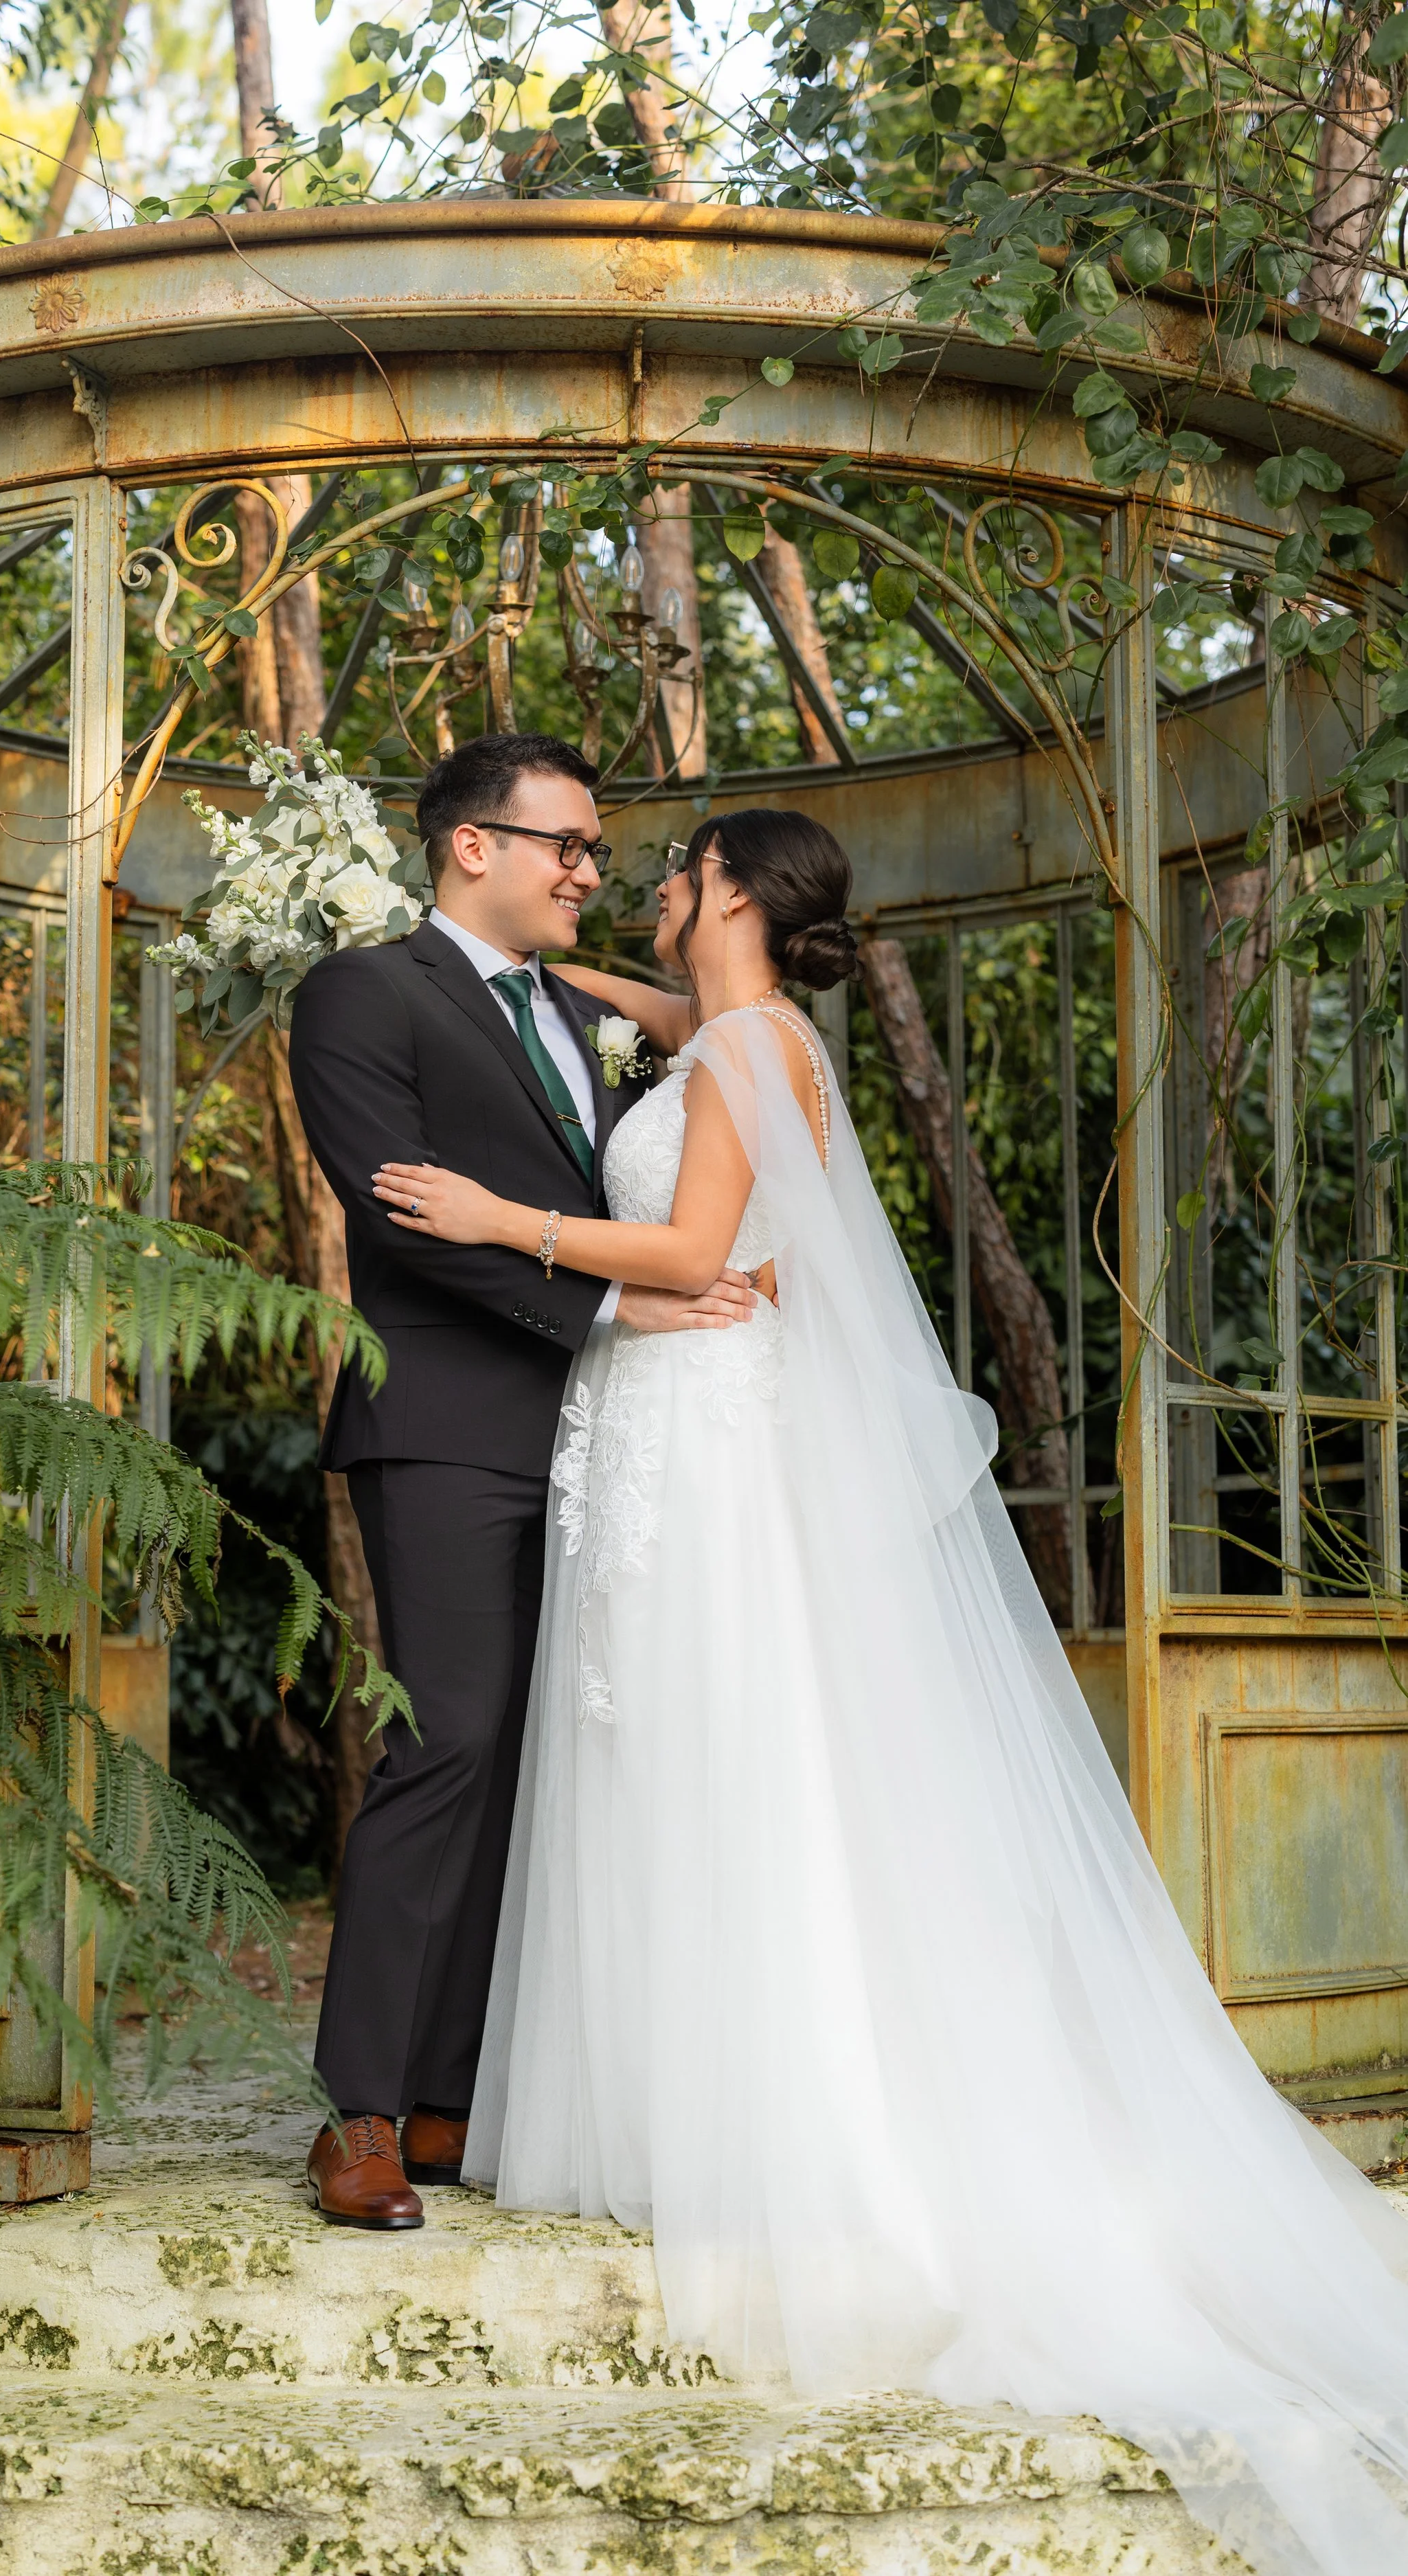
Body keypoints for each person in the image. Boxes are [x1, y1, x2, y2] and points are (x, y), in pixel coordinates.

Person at [371, 806, 1408, 2576]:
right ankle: (657, 2091)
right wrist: (550, 966)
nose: (644, 883)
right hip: (663, 1428)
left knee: (718, 1758)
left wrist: (502, 1215)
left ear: (731, 894)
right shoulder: (736, 1031)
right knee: (655, 1758)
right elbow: (677, 1029)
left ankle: (781, 2111)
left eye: (672, 868)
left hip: (703, 1440)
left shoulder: (756, 1047)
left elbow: (696, 1255)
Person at [287, 732, 754, 2228]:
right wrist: (622, 1304)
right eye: (562, 844)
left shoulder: (578, 1009)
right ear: (465, 847)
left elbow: (731, 1037)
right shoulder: (360, 993)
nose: (587, 872)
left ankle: (453, 2094)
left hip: (613, 1434)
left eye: (601, 852)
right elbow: (404, 1222)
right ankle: (355, 2112)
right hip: (444, 1424)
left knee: (551, 1757)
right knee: (452, 1741)